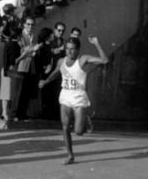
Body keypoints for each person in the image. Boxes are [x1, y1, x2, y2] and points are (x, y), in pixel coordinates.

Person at [39, 36, 109, 165]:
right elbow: (56, 72)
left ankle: (85, 119)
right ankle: (70, 155)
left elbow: (104, 60)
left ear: (78, 50)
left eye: (72, 49)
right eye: (67, 49)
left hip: (79, 97)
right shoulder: (61, 61)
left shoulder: (83, 60)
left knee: (78, 131)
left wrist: (97, 43)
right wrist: (46, 81)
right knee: (65, 128)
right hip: (65, 96)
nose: (69, 52)